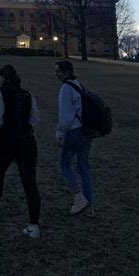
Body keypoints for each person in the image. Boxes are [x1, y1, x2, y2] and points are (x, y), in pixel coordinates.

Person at [0, 64, 41, 239]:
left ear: (4, 77)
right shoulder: (27, 95)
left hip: (6, 140)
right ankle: (34, 224)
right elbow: (34, 119)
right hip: (26, 140)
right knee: (30, 182)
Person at [55, 60, 94, 215]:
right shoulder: (78, 84)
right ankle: (90, 204)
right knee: (83, 167)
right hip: (85, 130)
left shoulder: (65, 88)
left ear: (66, 72)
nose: (56, 74)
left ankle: (79, 198)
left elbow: (65, 117)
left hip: (73, 131)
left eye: (58, 71)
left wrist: (59, 134)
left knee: (64, 165)